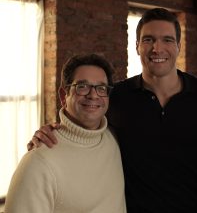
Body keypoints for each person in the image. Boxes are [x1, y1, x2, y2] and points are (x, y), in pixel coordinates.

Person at [27, 8, 197, 213]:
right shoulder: (117, 96)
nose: (158, 48)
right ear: (137, 47)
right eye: (148, 40)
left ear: (178, 46)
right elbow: (83, 122)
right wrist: (52, 132)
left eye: (167, 40)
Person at [5, 54, 126, 213]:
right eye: (82, 86)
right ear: (63, 96)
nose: (93, 95)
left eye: (101, 88)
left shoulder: (114, 138)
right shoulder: (38, 163)